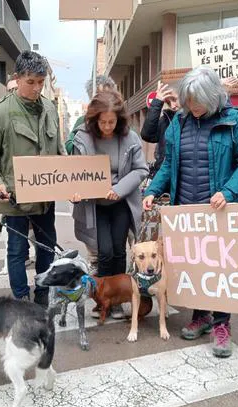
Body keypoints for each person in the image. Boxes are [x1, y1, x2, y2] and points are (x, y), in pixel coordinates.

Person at [142, 66, 238, 357]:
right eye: (188, 101)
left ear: (213, 96)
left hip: (220, 208)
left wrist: (228, 192)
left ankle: (222, 324)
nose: (192, 107)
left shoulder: (235, 120)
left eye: (197, 101)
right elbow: (169, 164)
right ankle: (201, 315)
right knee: (195, 265)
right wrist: (152, 190)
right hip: (186, 208)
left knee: (220, 268)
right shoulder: (178, 122)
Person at [0, 50, 65, 307]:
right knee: (17, 250)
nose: (37, 88)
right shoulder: (1, 112)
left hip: (45, 199)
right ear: (17, 79)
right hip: (13, 199)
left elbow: (59, 152)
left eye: (41, 81)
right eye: (31, 82)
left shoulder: (49, 108)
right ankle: (21, 301)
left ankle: (42, 297)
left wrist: (71, 181)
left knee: (47, 249)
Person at [70, 90, 148, 278]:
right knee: (104, 252)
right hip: (95, 204)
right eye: (102, 122)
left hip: (121, 201)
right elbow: (74, 173)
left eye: (111, 122)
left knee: (119, 251)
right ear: (94, 119)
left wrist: (118, 189)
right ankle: (104, 300)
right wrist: (75, 193)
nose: (106, 127)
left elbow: (141, 169)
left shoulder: (130, 138)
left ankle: (118, 298)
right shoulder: (82, 138)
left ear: (119, 120)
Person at [65, 75, 117, 155]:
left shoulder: (119, 120)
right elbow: (68, 146)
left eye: (107, 94)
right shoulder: (83, 120)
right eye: (99, 95)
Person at [140, 80, 179, 174]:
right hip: (165, 176)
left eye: (174, 100)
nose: (173, 106)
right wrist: (157, 102)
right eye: (168, 103)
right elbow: (147, 135)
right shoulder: (166, 120)